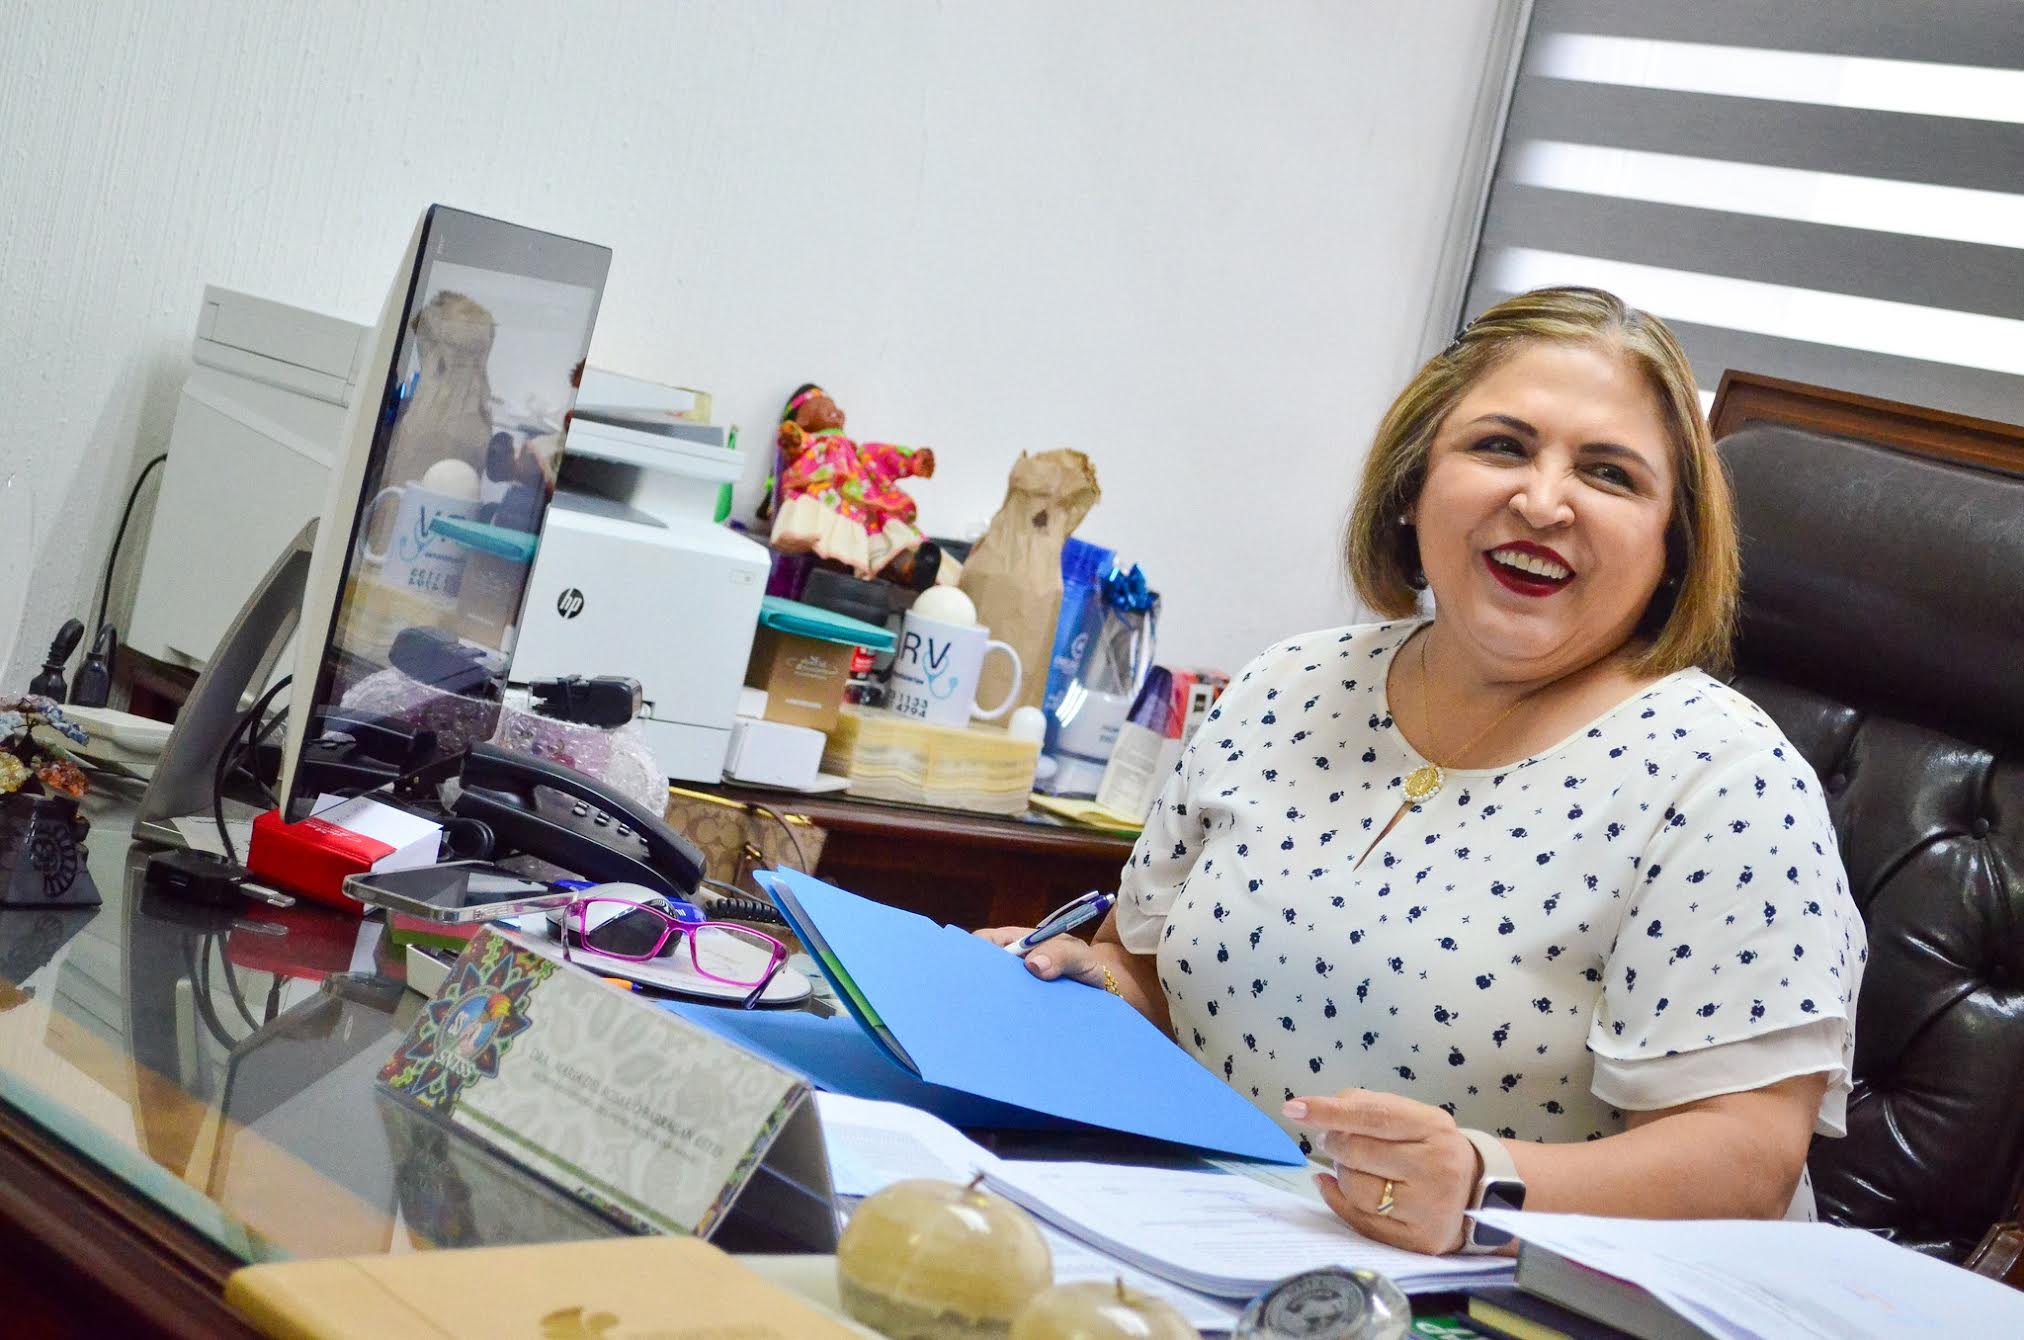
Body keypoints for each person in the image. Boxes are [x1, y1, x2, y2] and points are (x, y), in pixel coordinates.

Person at [979, 287, 1864, 1256]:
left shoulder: (1724, 781)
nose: (1541, 501)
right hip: (1219, 1251)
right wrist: (1079, 983)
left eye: (1607, 473)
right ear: (1411, 485)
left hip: (1519, 1296)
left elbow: (1744, 1163)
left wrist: (1485, 1186)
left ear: (1670, 546)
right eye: (1500, 446)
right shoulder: (1282, 685)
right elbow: (1153, 976)